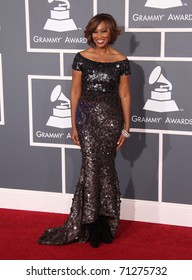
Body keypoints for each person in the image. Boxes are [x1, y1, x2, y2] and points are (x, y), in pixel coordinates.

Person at [38, 13, 131, 248]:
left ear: (111, 32)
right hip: (87, 120)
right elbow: (75, 92)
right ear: (90, 33)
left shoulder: (121, 60)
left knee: (106, 169)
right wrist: (73, 124)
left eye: (104, 31)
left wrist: (126, 127)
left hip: (111, 121)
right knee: (90, 168)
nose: (99, 36)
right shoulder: (81, 58)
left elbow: (125, 94)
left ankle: (105, 224)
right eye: (95, 31)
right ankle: (88, 224)